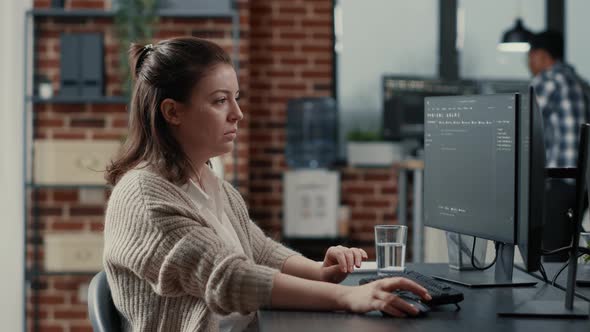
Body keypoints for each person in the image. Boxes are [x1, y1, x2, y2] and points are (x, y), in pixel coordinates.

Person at [103, 36, 430, 332]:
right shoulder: (144, 197)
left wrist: (318, 271)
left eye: (236, 98)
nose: (238, 114)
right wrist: (348, 297)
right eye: (220, 101)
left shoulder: (210, 183)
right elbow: (228, 277)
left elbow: (257, 250)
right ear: (173, 112)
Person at [528, 30, 589, 261]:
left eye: (530, 57)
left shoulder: (549, 80)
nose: (530, 64)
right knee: (570, 251)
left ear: (541, 56)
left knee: (552, 254)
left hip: (561, 179)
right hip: (583, 182)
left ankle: (553, 298)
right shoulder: (579, 82)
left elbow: (525, 124)